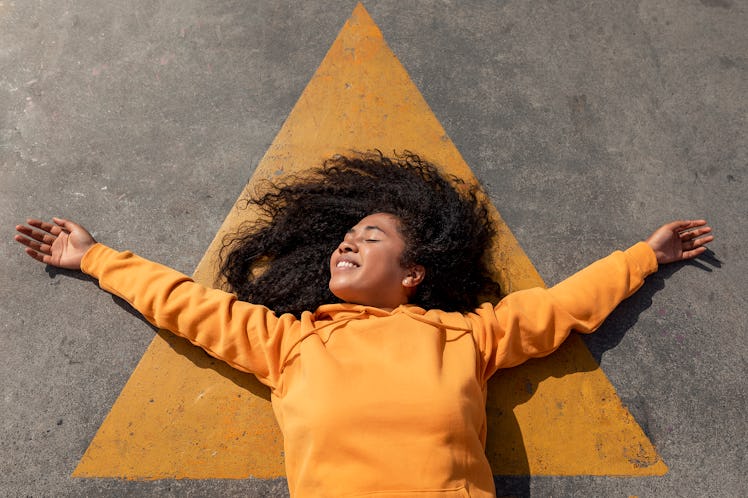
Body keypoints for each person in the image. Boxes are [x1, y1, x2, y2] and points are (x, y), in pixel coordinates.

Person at [14, 152, 713, 498]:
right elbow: (185, 306)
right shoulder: (289, 343)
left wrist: (645, 255)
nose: (346, 244)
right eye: (345, 238)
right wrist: (93, 257)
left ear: (413, 274)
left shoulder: (465, 337)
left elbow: (561, 307)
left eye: (370, 236)